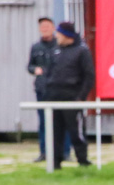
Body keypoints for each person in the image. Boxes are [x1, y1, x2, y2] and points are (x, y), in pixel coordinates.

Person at [44, 21, 94, 170]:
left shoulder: (82, 51)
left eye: (59, 33)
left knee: (76, 132)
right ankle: (55, 163)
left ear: (67, 35)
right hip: (54, 99)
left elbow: (89, 76)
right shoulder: (56, 50)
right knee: (55, 133)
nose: (56, 36)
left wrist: (81, 97)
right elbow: (49, 72)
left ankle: (83, 161)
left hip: (72, 98)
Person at [27, 17, 69, 162]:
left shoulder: (60, 46)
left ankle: (65, 152)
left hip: (59, 90)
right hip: (42, 90)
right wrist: (35, 70)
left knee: (63, 121)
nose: (45, 29)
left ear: (53, 28)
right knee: (44, 122)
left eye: (47, 27)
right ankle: (44, 152)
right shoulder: (36, 47)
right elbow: (29, 66)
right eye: (42, 27)